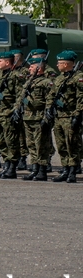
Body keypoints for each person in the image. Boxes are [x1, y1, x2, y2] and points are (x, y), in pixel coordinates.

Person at [45, 50, 82, 183]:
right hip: (59, 116)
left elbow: (81, 98)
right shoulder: (59, 78)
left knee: (72, 144)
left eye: (60, 63)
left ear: (67, 64)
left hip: (70, 116)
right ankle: (65, 168)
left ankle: (73, 170)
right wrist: (49, 108)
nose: (57, 65)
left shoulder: (78, 77)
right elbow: (51, 95)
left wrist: (77, 115)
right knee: (61, 145)